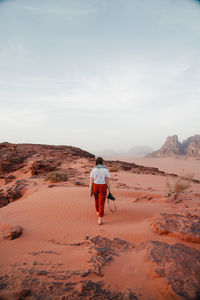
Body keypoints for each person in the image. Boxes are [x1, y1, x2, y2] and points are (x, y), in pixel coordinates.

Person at [90, 157, 111, 225]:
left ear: (96, 162)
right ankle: (100, 219)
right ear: (102, 162)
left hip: (95, 186)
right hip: (103, 186)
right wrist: (110, 190)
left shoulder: (93, 169)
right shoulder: (105, 169)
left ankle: (98, 212)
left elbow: (91, 181)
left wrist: (90, 189)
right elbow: (107, 181)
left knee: (96, 200)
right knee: (101, 202)